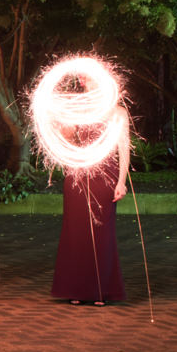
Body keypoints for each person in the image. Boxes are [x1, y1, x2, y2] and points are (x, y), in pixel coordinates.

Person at [52, 105, 130, 305]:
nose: (84, 80)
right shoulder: (80, 109)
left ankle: (100, 291)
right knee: (76, 232)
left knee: (101, 231)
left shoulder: (118, 112)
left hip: (105, 175)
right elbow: (67, 138)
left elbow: (123, 148)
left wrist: (121, 181)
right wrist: (59, 124)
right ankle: (76, 289)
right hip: (78, 173)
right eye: (82, 77)